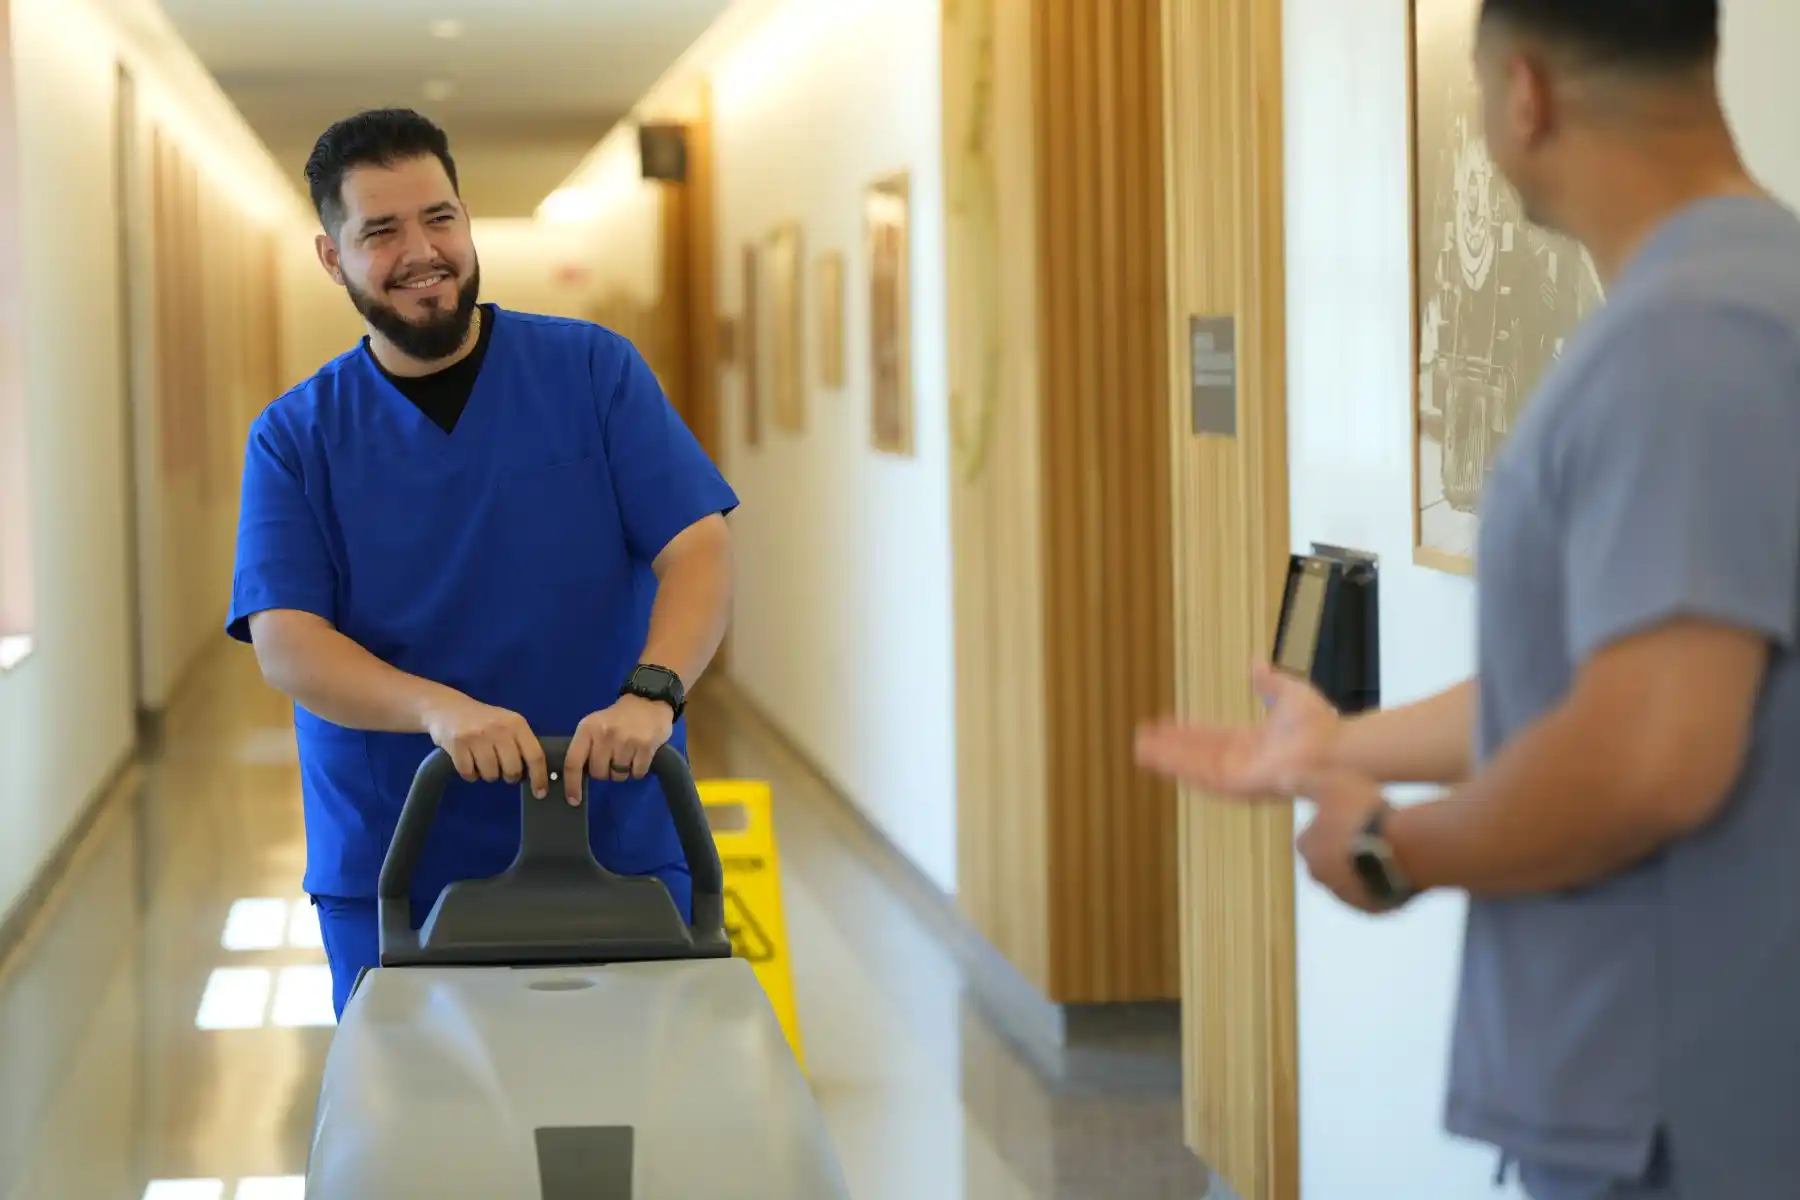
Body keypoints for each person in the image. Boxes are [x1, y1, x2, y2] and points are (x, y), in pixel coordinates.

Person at [1136, 2, 1800, 1198]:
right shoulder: (1750, 296)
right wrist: (1341, 743)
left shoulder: (1686, 340)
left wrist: (1394, 847)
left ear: (1526, 94)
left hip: (1673, 1110)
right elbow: (1622, 675)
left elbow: (1654, 751)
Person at [226, 108, 739, 1019]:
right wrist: (438, 710)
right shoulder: (297, 437)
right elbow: (288, 643)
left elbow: (697, 545)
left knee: (627, 1123)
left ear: (466, 221)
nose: (421, 250)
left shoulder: (591, 372)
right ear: (331, 256)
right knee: (420, 1140)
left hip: (613, 825)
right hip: (399, 852)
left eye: (439, 218)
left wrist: (652, 692)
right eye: (380, 230)